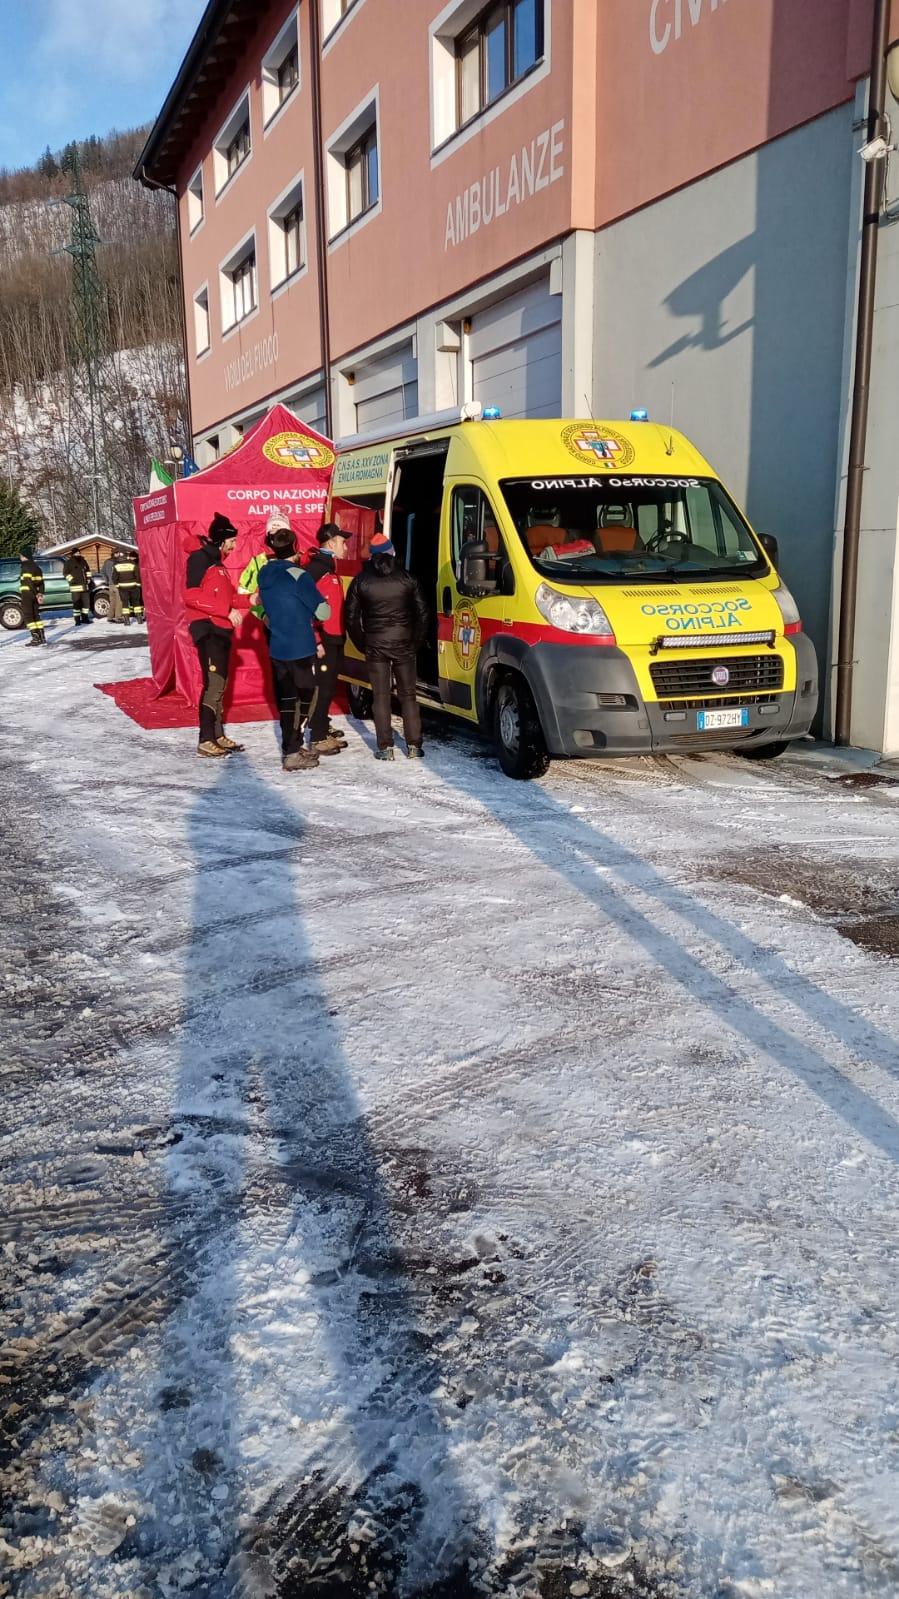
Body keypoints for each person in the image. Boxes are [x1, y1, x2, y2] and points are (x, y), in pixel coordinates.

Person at [345, 531, 428, 761]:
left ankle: (385, 747)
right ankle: (414, 745)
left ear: (372, 555)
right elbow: (422, 613)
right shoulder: (408, 578)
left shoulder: (361, 580)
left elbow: (350, 617)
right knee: (408, 695)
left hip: (375, 644)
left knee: (380, 696)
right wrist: (415, 641)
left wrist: (362, 642)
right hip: (404, 643)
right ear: (391, 552)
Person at [257, 527, 331, 773]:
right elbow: (323, 612)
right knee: (306, 695)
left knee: (287, 700)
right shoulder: (300, 576)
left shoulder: (264, 573)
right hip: (300, 646)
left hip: (277, 646)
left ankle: (291, 748)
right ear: (296, 548)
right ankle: (293, 748)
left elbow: (264, 605)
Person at [184, 512, 245, 759]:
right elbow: (190, 595)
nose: (234, 545)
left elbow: (230, 598)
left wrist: (252, 599)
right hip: (208, 629)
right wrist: (226, 611)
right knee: (214, 684)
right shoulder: (200, 559)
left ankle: (217, 735)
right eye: (232, 541)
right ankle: (205, 739)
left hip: (221, 630)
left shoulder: (218, 565)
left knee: (220, 685)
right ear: (221, 540)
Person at [304, 522, 350, 755]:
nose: (346, 547)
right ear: (331, 543)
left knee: (329, 686)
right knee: (323, 687)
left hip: (335, 636)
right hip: (325, 638)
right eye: (342, 542)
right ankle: (317, 736)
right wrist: (316, 639)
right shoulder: (316, 569)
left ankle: (321, 725)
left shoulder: (328, 567)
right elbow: (302, 605)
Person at [19, 549, 46, 646]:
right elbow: (41, 583)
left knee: (28, 616)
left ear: (25, 556)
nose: (20, 557)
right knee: (36, 615)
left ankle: (35, 638)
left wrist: (34, 593)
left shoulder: (25, 567)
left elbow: (28, 582)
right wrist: (40, 594)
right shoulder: (37, 567)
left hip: (27, 594)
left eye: (21, 555)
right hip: (35, 595)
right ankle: (42, 637)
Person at [112, 548, 144, 625]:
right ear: (126, 555)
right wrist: (138, 584)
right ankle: (139, 619)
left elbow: (114, 577)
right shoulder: (133, 563)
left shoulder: (116, 565)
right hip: (134, 586)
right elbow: (138, 575)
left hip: (122, 587)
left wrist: (117, 585)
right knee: (136, 602)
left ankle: (127, 621)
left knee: (125, 603)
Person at [63, 548, 93, 626]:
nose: (78, 554)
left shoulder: (83, 561)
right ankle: (77, 620)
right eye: (76, 553)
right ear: (73, 554)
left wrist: (88, 578)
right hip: (75, 588)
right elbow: (65, 573)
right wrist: (72, 580)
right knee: (77, 605)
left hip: (85, 587)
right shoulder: (69, 563)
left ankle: (85, 618)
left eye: (79, 553)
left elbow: (88, 570)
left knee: (86, 604)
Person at [101, 551, 123, 623]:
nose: (118, 554)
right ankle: (118, 617)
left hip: (110, 585)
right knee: (119, 601)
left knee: (112, 601)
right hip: (117, 584)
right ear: (114, 554)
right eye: (117, 553)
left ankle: (110, 617)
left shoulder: (107, 561)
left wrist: (107, 580)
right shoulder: (118, 561)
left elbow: (102, 572)